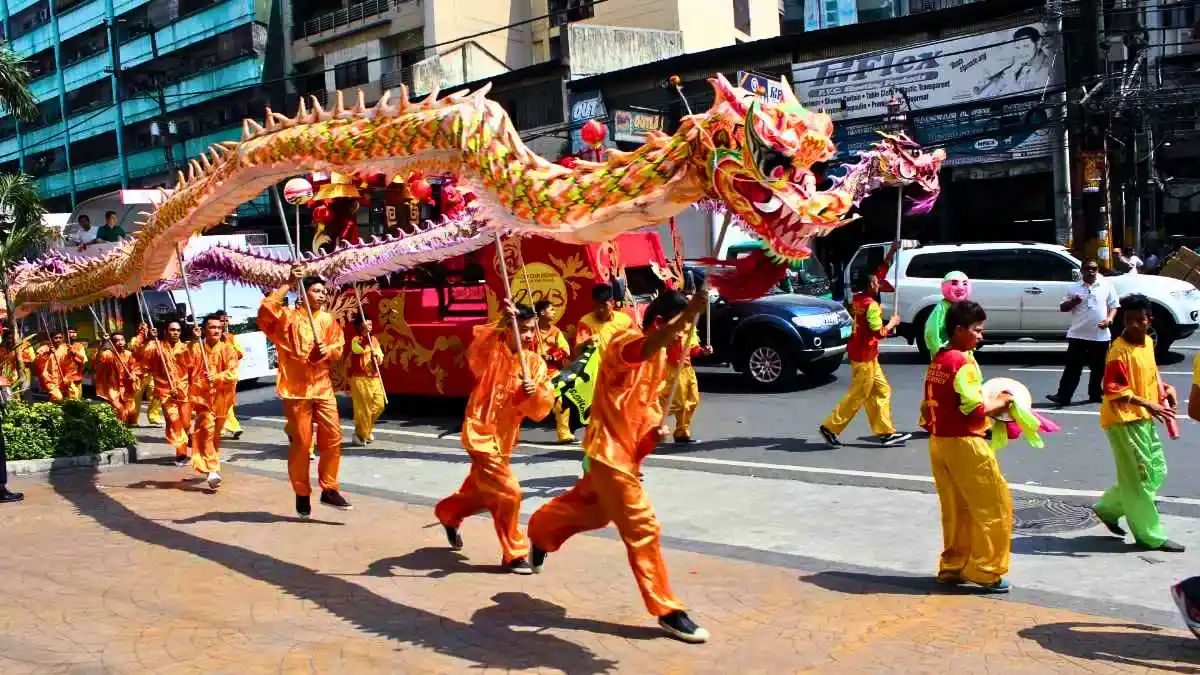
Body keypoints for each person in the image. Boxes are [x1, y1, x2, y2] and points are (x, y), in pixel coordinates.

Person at [527, 288, 711, 644]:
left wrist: (652, 436)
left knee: (592, 514)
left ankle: (539, 532)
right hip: (607, 455)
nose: (686, 343)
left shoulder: (661, 367)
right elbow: (642, 349)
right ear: (660, 323)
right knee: (643, 526)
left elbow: (637, 420)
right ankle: (667, 609)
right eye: (682, 332)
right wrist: (687, 316)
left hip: (620, 458)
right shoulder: (626, 342)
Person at [436, 301, 554, 573]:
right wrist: (501, 322)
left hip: (505, 438)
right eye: (521, 329)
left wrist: (531, 391)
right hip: (480, 431)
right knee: (509, 492)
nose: (527, 336)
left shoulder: (534, 363)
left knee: (481, 492)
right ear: (509, 330)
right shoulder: (492, 353)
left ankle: (449, 513)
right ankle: (514, 552)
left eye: (530, 330)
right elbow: (476, 350)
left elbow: (540, 409)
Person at [920, 301, 1014, 593]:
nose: (980, 336)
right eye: (976, 330)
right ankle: (987, 571)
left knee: (955, 509)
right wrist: (1004, 402)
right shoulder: (963, 362)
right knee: (995, 507)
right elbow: (973, 409)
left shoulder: (939, 358)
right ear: (959, 330)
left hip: (939, 443)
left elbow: (927, 407)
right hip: (965, 443)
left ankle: (954, 566)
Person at [1093, 295, 1184, 552]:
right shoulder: (1118, 351)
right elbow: (1112, 388)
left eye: (1140, 320)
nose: (1134, 325)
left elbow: (1149, 375)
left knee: (1155, 472)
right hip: (1123, 421)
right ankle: (1150, 536)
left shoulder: (1146, 342)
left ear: (1149, 321)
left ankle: (1107, 509)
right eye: (1129, 320)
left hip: (1142, 418)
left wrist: (1165, 389)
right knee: (1140, 480)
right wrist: (1148, 404)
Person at [258, 268, 349, 517]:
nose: (322, 295)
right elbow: (265, 314)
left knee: (333, 437)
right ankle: (301, 492)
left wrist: (327, 351)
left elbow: (339, 346)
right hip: (296, 390)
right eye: (316, 290)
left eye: (324, 292)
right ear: (304, 292)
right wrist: (287, 283)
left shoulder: (328, 320)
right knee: (302, 442)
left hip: (322, 387)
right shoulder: (287, 318)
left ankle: (329, 488)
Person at [819, 269, 911, 447]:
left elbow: (877, 272)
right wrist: (893, 322)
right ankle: (830, 427)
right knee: (858, 395)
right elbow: (879, 332)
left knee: (882, 391)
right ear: (870, 285)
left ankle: (885, 433)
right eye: (876, 282)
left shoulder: (857, 299)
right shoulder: (872, 306)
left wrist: (891, 252)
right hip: (864, 357)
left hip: (864, 354)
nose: (878, 284)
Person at [1047, 259, 1119, 406]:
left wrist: (1109, 320)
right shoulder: (1073, 288)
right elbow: (1063, 307)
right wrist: (1074, 301)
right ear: (1081, 271)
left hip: (1100, 336)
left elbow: (1114, 305)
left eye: (1094, 269)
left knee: (1098, 368)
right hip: (1078, 335)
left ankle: (1095, 394)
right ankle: (1063, 396)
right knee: (1073, 368)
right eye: (1087, 269)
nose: (1091, 271)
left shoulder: (1106, 285)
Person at [188, 314, 240, 489]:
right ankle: (212, 469)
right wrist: (192, 341)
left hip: (222, 398)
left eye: (219, 327)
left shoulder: (228, 349)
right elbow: (181, 362)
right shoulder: (196, 348)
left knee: (214, 435)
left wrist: (217, 376)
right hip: (202, 398)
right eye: (212, 327)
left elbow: (233, 374)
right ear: (203, 330)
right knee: (208, 430)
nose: (216, 330)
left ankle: (210, 464)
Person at [137, 322, 192, 464]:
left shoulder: (186, 347)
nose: (175, 333)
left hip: (184, 391)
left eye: (178, 330)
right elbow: (142, 358)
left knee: (185, 423)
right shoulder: (157, 346)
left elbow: (195, 367)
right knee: (174, 421)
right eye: (172, 330)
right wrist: (149, 339)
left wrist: (197, 339)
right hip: (165, 392)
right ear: (166, 331)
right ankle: (181, 453)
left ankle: (188, 437)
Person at [661, 309, 710, 445]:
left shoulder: (690, 326)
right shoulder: (670, 326)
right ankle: (650, 424)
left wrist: (703, 351)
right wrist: (673, 339)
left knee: (693, 401)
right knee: (677, 403)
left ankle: (682, 433)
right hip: (673, 370)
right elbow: (660, 346)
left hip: (688, 370)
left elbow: (693, 348)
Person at [534, 300, 574, 444]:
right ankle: (510, 435)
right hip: (532, 373)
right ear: (542, 313)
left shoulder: (555, 331)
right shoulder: (531, 330)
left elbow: (566, 350)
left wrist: (551, 356)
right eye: (551, 309)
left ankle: (564, 434)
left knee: (561, 400)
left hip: (551, 372)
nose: (554, 312)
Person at [348, 316, 386, 446]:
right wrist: (364, 342)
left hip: (374, 377)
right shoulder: (355, 339)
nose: (369, 325)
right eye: (366, 323)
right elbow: (356, 350)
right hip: (360, 378)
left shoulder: (374, 339)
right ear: (360, 325)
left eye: (370, 323)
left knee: (379, 404)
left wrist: (378, 357)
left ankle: (364, 431)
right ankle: (361, 434)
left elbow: (381, 354)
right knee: (363, 409)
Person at [574, 282, 634, 360]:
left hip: (620, 368)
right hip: (598, 370)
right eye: (597, 305)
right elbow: (577, 353)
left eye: (604, 305)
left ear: (612, 303)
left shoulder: (625, 320)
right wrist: (586, 343)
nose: (600, 309)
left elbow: (636, 343)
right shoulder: (586, 322)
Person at [93, 333, 139, 426]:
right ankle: (119, 427)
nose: (120, 342)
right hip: (113, 386)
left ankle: (124, 423)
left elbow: (134, 368)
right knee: (119, 408)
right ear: (112, 343)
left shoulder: (129, 354)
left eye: (122, 340)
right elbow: (97, 360)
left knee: (131, 410)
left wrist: (133, 375)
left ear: (125, 341)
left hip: (126, 386)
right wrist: (103, 344)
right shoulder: (108, 354)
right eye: (116, 341)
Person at [214, 311, 244, 440]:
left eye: (226, 320)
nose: (224, 323)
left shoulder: (231, 337)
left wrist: (229, 343)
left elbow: (240, 354)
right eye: (222, 320)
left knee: (228, 401)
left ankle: (221, 426)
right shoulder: (210, 338)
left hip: (230, 375)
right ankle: (234, 427)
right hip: (215, 375)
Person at [129, 324, 164, 426]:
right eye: (141, 328)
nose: (143, 330)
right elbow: (135, 350)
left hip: (152, 373)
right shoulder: (135, 340)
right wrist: (147, 339)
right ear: (138, 330)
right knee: (136, 397)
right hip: (138, 373)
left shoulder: (154, 341)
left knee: (156, 394)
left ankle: (154, 417)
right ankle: (133, 419)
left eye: (145, 328)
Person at [32, 332, 67, 402]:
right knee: (58, 397)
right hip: (49, 378)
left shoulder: (64, 349)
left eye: (60, 338)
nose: (58, 340)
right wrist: (48, 353)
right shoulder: (44, 348)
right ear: (51, 339)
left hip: (61, 378)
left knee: (61, 398)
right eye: (56, 338)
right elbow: (37, 362)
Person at [62, 328, 87, 400]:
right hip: (66, 375)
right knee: (73, 396)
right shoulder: (62, 346)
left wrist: (74, 353)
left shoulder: (79, 346)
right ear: (65, 335)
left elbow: (82, 361)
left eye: (75, 332)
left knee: (78, 396)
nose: (74, 334)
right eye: (71, 332)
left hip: (76, 374)